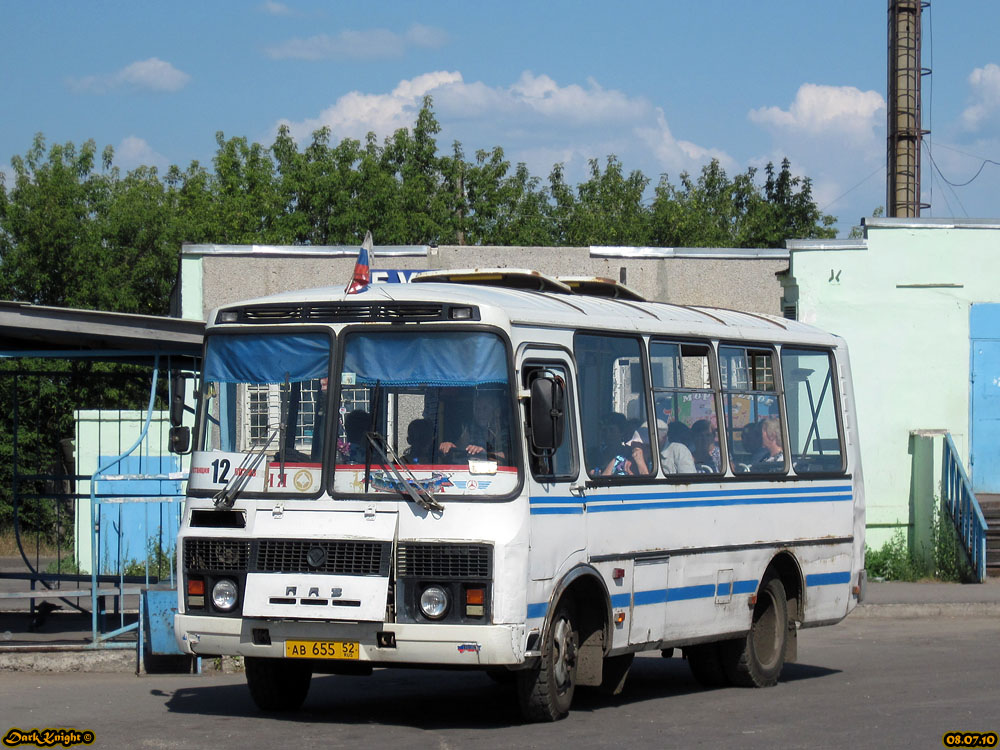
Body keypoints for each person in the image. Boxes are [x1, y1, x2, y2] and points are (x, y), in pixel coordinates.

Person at [438, 390, 511, 463]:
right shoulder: (471, 429)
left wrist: (484, 454)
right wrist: (449, 446)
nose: (480, 413)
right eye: (477, 409)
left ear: (496, 412)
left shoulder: (505, 431)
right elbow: (459, 449)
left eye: (485, 409)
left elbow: (507, 457)